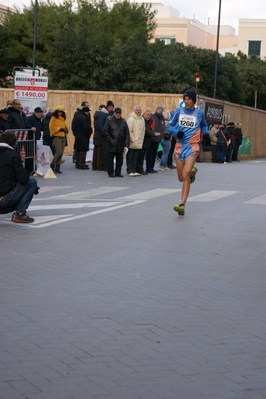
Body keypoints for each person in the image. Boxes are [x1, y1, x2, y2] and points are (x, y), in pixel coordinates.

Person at [167, 89, 209, 216]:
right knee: (181, 178)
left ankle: (182, 205)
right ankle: (192, 173)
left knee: (185, 175)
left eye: (189, 99)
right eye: (185, 99)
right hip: (180, 146)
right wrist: (175, 133)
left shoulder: (199, 113)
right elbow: (169, 125)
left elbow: (204, 125)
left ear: (193, 101)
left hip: (193, 146)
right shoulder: (178, 111)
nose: (187, 101)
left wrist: (206, 133)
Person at [0, 132, 38, 223]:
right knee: (32, 182)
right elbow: (23, 179)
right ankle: (19, 213)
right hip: (3, 199)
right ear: (14, 143)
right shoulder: (13, 155)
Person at [103, 107, 130, 177]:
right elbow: (105, 132)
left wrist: (126, 144)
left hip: (120, 144)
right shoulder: (109, 120)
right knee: (110, 160)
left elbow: (127, 133)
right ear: (114, 113)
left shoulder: (123, 121)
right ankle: (110, 172)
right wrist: (110, 140)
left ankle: (118, 172)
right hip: (111, 143)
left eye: (119, 113)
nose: (118, 114)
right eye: (117, 113)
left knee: (119, 160)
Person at [136, 110, 159, 175]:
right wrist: (154, 134)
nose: (148, 116)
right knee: (140, 156)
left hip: (147, 142)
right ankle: (139, 169)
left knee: (142, 156)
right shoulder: (142, 121)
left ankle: (140, 169)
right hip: (141, 141)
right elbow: (145, 130)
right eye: (147, 115)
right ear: (144, 115)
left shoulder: (149, 121)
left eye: (149, 115)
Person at [126, 105, 145, 176]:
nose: (138, 112)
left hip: (139, 142)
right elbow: (129, 131)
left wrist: (141, 139)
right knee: (130, 157)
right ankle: (129, 170)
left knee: (135, 157)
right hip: (132, 142)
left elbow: (143, 130)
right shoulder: (131, 119)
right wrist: (133, 139)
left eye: (140, 110)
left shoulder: (142, 119)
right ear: (134, 111)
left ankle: (134, 170)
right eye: (137, 110)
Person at [49, 105, 68, 174]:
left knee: (61, 153)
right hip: (57, 137)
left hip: (63, 137)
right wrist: (60, 129)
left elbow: (66, 126)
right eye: (58, 111)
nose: (60, 113)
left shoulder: (63, 118)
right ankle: (52, 165)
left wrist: (66, 130)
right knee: (58, 152)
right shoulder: (53, 118)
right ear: (56, 112)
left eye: (61, 112)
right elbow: (52, 127)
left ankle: (57, 167)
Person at [146, 105, 165, 173]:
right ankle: (148, 167)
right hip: (152, 138)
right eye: (159, 109)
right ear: (156, 109)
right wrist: (153, 133)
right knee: (150, 154)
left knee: (154, 154)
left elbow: (162, 127)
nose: (160, 110)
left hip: (158, 138)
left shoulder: (162, 118)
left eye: (161, 109)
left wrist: (162, 135)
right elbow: (150, 127)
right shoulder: (152, 117)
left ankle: (152, 167)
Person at [92, 105, 109, 171]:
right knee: (100, 152)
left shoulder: (97, 115)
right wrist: (104, 133)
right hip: (100, 136)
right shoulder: (102, 115)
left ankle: (95, 165)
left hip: (96, 135)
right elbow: (101, 125)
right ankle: (99, 166)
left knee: (96, 151)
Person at [101, 100, 115, 172]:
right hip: (106, 135)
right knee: (105, 152)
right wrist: (104, 133)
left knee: (109, 152)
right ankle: (104, 166)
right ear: (107, 107)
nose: (111, 108)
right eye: (110, 107)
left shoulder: (113, 114)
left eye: (112, 107)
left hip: (111, 136)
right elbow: (100, 125)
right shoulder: (103, 114)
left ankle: (109, 166)